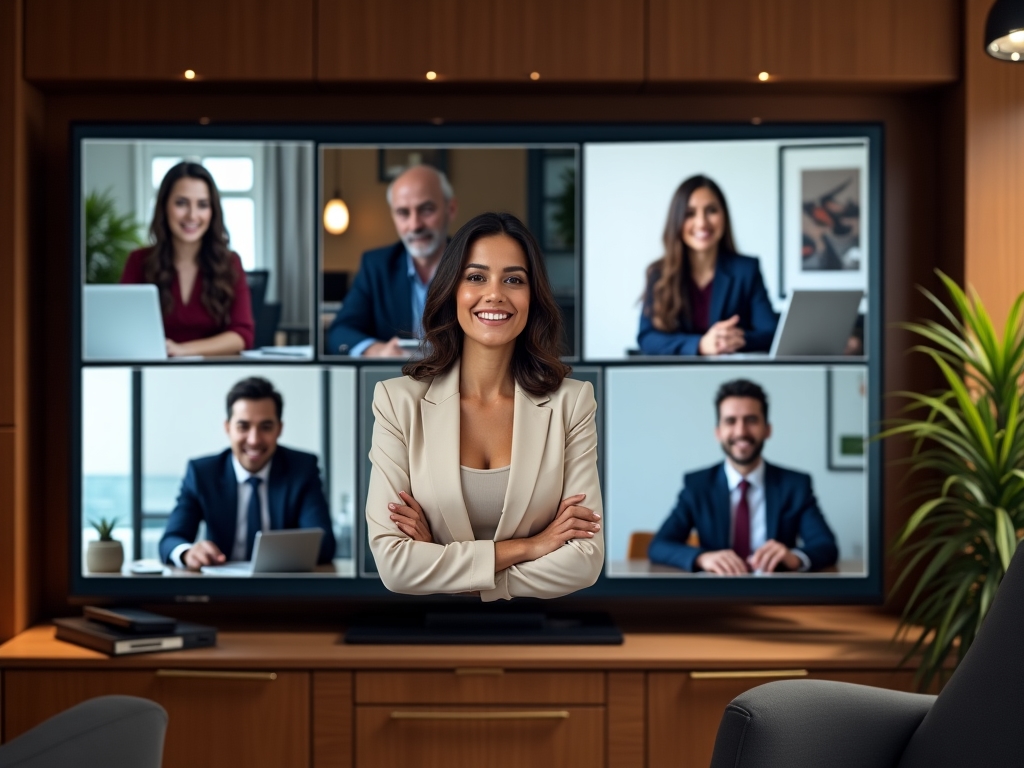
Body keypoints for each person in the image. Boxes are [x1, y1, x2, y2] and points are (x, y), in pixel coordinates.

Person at [365, 212, 603, 600]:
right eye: (476, 277)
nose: (495, 294)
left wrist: (443, 563)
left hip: (538, 637)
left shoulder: (571, 404)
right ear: (453, 290)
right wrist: (531, 546)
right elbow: (395, 566)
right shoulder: (398, 402)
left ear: (533, 297)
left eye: (513, 279)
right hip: (431, 637)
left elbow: (584, 560)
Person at [648, 379, 837, 574]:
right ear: (718, 432)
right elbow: (659, 546)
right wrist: (702, 558)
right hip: (715, 594)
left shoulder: (796, 485)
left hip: (776, 596)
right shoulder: (698, 485)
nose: (741, 431)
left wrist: (794, 558)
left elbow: (826, 545)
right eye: (730, 421)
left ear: (767, 429)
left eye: (751, 420)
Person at [159, 377, 335, 569]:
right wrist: (188, 552)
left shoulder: (302, 468)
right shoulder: (202, 473)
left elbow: (324, 544)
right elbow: (171, 540)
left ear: (279, 429)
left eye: (266, 427)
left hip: (282, 589)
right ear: (228, 428)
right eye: (243, 426)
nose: (253, 440)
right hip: (221, 590)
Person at [121, 162, 255, 357]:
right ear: (164, 206)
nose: (192, 215)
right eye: (181, 203)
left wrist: (183, 350)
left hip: (212, 373)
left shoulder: (230, 263)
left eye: (202, 204)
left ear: (212, 211)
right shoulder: (139, 261)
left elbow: (243, 335)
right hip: (153, 373)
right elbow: (123, 329)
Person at [638, 175, 778, 356]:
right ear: (676, 221)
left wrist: (731, 340)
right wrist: (701, 345)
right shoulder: (658, 273)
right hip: (675, 377)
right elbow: (647, 338)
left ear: (724, 216)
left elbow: (771, 333)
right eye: (690, 214)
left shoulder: (747, 270)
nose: (702, 223)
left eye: (711, 210)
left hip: (731, 377)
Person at [326, 164, 457, 357]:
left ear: (450, 209)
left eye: (426, 210)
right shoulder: (376, 266)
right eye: (403, 213)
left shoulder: (474, 263)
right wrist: (377, 351)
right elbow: (340, 333)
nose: (415, 225)